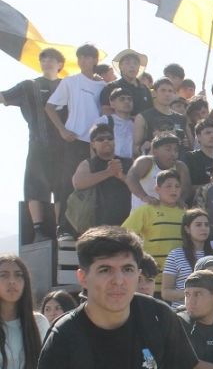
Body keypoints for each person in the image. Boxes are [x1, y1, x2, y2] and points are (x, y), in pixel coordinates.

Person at [32, 226, 198, 369]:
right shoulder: (63, 339)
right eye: (105, 269)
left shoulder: (158, 316)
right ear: (83, 277)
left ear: (138, 274)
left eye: (127, 269)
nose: (118, 280)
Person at [0, 47, 66, 242]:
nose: (47, 63)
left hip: (64, 146)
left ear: (60, 64)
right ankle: (38, 230)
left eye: (51, 59)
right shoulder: (28, 85)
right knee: (34, 186)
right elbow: (3, 96)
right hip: (38, 143)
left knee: (61, 188)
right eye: (43, 59)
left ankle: (59, 228)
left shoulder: (67, 86)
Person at [45, 44, 106, 239]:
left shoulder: (104, 86)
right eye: (80, 58)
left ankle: (90, 228)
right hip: (74, 140)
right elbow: (50, 107)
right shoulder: (70, 82)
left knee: (95, 186)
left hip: (97, 143)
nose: (83, 61)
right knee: (68, 184)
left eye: (88, 58)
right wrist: (62, 130)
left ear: (95, 60)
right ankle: (64, 228)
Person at [122, 169, 186, 295]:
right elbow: (124, 234)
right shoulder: (146, 210)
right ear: (157, 189)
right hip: (150, 281)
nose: (173, 190)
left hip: (177, 284)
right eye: (168, 186)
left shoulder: (185, 213)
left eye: (177, 186)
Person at [71, 123, 133, 227]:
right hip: (98, 226)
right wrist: (108, 172)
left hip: (129, 223)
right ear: (93, 144)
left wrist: (122, 177)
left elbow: (141, 186)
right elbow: (78, 183)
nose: (106, 141)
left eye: (110, 138)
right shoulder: (88, 164)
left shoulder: (128, 162)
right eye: (100, 139)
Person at [162, 209, 213, 306]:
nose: (204, 228)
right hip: (181, 313)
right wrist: (193, 293)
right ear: (187, 229)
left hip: (208, 314)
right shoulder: (175, 255)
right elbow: (165, 293)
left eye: (206, 225)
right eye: (198, 225)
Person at [126, 133, 192, 210]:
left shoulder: (180, 167)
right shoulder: (145, 162)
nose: (173, 154)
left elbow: (186, 189)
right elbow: (130, 178)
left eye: (176, 150)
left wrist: (181, 200)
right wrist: (144, 197)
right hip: (142, 216)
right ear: (155, 151)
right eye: (168, 149)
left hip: (168, 217)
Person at [133, 77, 188, 156]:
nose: (167, 94)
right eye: (163, 90)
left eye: (170, 91)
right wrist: (143, 148)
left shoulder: (181, 118)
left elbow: (187, 145)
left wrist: (185, 142)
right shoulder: (143, 117)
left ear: (174, 94)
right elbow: (134, 148)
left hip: (177, 164)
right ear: (155, 93)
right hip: (154, 164)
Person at [99, 49, 151, 116]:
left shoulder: (145, 89)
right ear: (120, 66)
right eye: (127, 63)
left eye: (135, 63)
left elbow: (150, 112)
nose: (132, 66)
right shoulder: (111, 87)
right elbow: (106, 111)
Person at [184, 119, 213, 190]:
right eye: (208, 133)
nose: (212, 136)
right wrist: (211, 185)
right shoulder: (190, 158)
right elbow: (186, 188)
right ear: (198, 137)